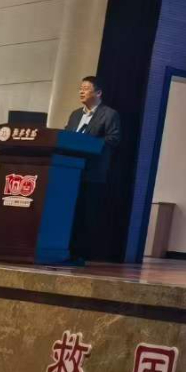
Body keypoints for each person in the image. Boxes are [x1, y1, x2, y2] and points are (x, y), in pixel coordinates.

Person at [65, 76, 122, 262]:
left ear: (98, 92)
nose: (81, 91)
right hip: (70, 172)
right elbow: (66, 137)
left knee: (87, 215)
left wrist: (88, 144)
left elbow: (113, 139)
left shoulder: (109, 114)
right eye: (80, 88)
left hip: (93, 173)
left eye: (86, 88)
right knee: (69, 213)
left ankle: (81, 254)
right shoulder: (75, 115)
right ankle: (64, 249)